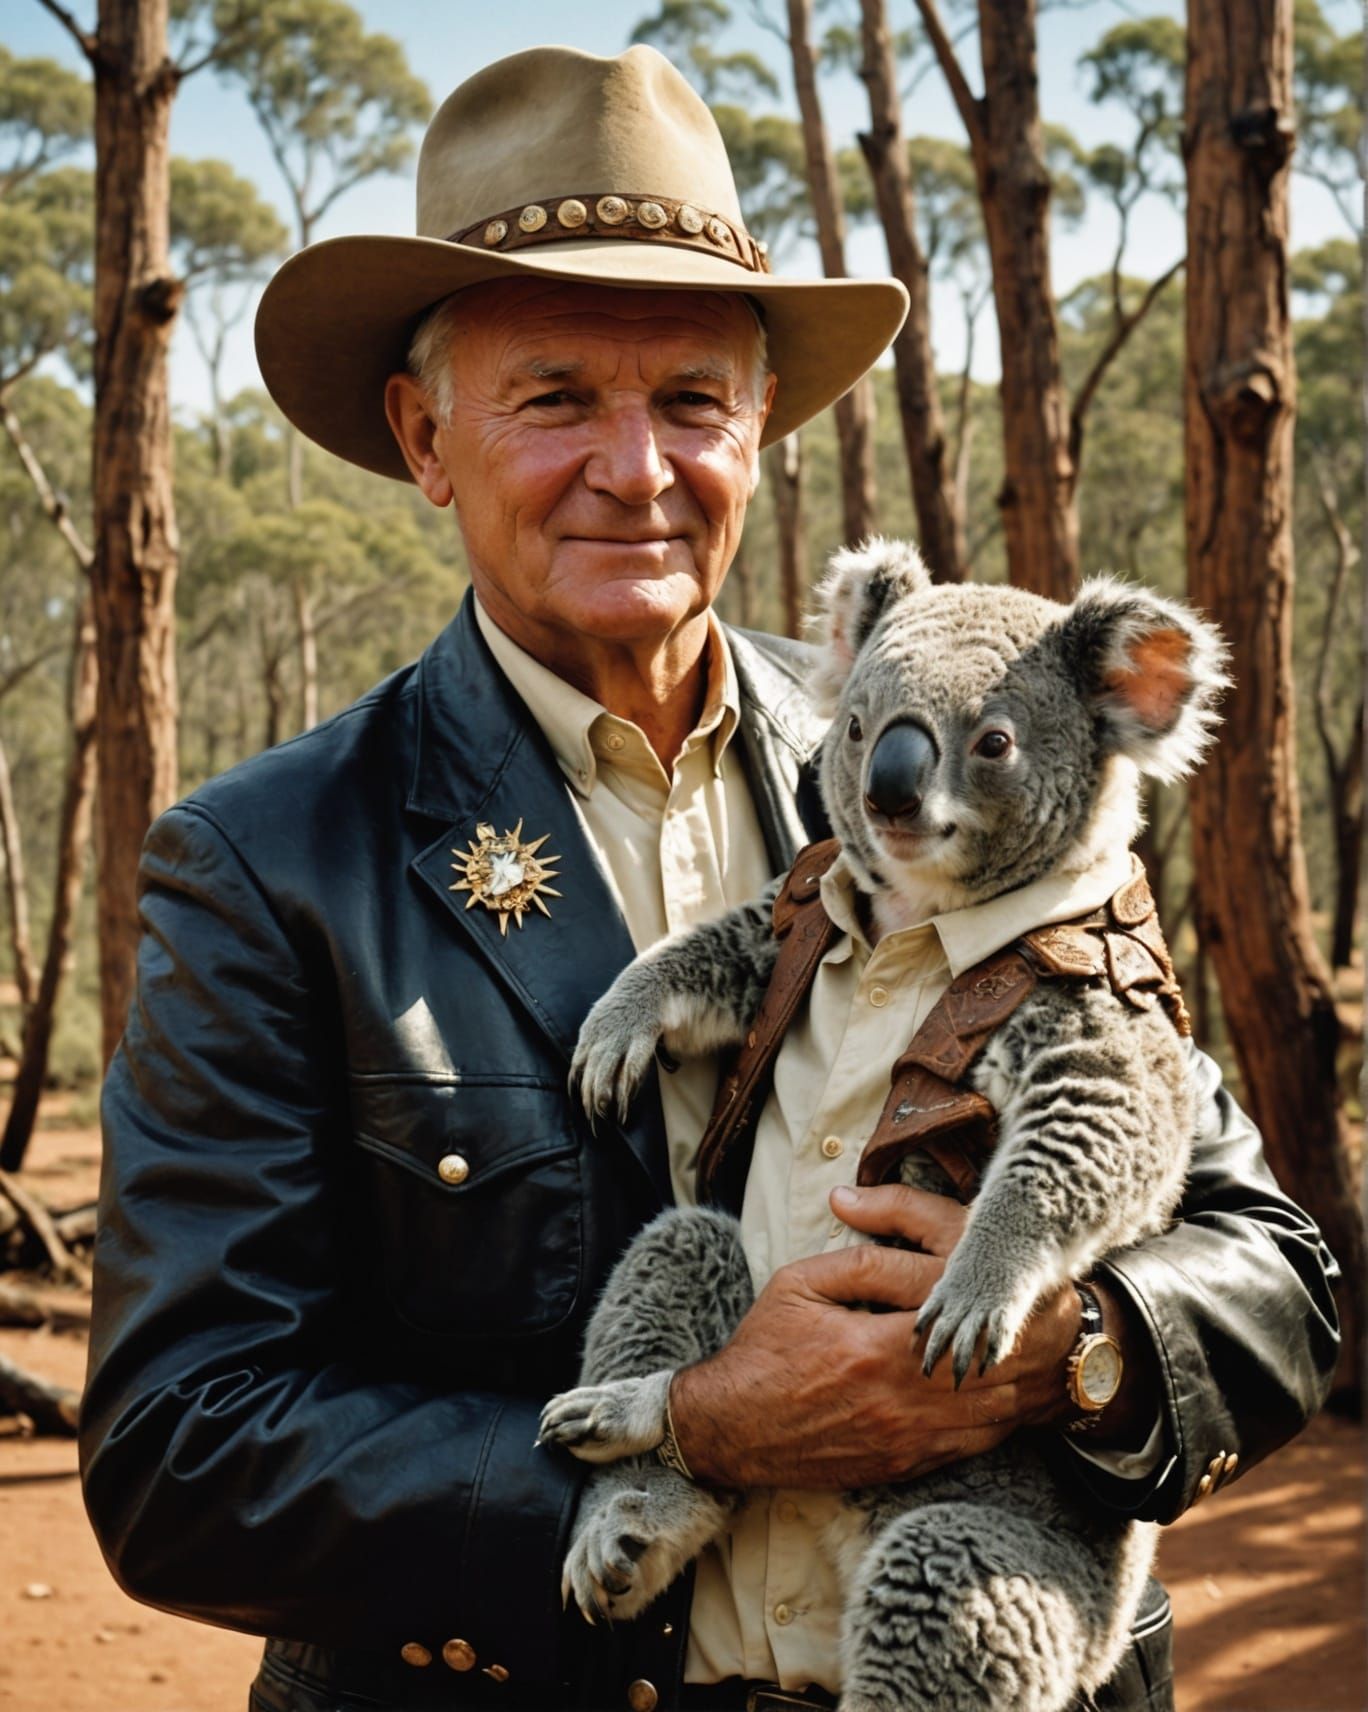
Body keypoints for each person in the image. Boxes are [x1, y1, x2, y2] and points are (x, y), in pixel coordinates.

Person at [78, 43, 1339, 1712]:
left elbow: (1264, 1259)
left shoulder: (967, 746)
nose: (639, 468)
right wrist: (685, 1437)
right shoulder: (271, 861)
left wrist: (1071, 1349)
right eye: (554, 399)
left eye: (691, 401)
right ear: (426, 434)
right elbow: (182, 1450)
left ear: (759, 431)